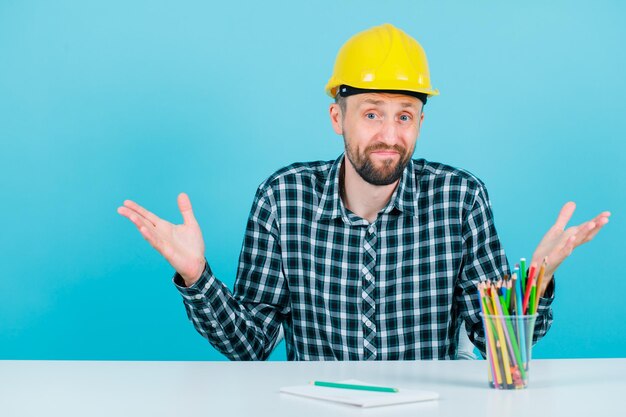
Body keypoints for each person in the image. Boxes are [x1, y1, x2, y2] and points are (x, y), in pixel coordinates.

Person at [117, 24, 610, 361]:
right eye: (372, 113)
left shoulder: (461, 199)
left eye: (404, 116)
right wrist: (197, 276)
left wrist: (535, 282)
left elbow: (495, 343)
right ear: (338, 117)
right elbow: (251, 345)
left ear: (420, 122)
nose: (389, 137)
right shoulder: (282, 199)